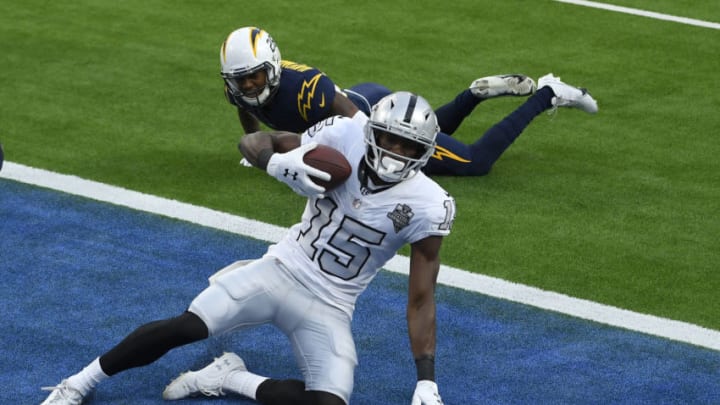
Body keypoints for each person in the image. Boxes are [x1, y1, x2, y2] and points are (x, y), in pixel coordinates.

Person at [40, 91, 456, 405]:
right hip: (280, 269)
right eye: (388, 137)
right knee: (187, 326)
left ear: (424, 151)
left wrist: (426, 379)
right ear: (371, 131)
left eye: (408, 145)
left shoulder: (428, 203)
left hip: (332, 303)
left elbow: (421, 298)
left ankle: (229, 377)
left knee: (328, 402)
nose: (394, 151)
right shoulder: (343, 135)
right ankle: (79, 383)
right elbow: (256, 142)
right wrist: (273, 162)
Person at [221, 26, 541, 177]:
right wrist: (255, 154)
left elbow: (352, 117)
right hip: (352, 112)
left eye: (255, 76)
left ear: (273, 66)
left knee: (474, 162)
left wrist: (376, 156)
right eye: (241, 79)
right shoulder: (238, 88)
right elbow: (246, 111)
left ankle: (547, 94)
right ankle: (472, 95)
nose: (248, 84)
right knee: (433, 135)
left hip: (370, 112)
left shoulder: (305, 86)